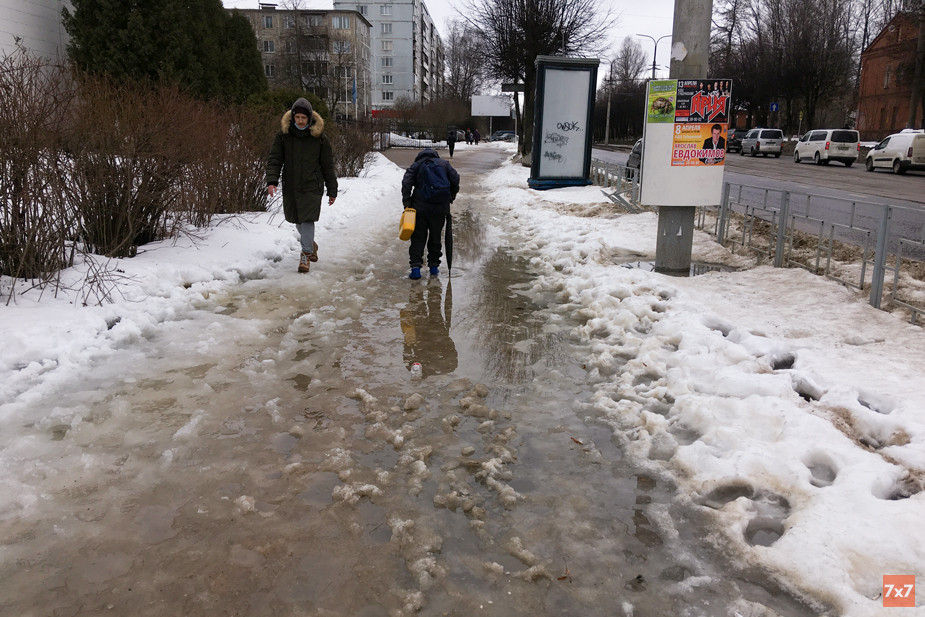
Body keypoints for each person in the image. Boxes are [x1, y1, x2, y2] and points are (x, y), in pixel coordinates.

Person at [266, 97, 338, 273]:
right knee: (296, 218)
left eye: (303, 118)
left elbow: (327, 165)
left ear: (309, 119)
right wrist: (272, 181)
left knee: (307, 219)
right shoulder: (283, 137)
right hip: (291, 184)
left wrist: (332, 189)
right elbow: (275, 159)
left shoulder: (319, 139)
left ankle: (305, 255)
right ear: (292, 117)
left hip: (311, 185)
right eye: (297, 117)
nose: (300, 121)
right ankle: (310, 244)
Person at [401, 148, 460, 279]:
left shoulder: (417, 165)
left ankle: (416, 269)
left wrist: (407, 202)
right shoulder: (444, 164)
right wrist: (451, 196)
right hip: (440, 208)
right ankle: (434, 268)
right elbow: (455, 179)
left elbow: (406, 182)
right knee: (435, 237)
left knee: (418, 238)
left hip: (420, 208)